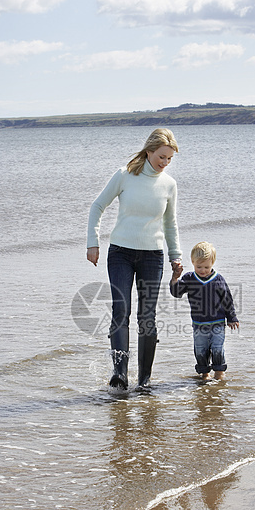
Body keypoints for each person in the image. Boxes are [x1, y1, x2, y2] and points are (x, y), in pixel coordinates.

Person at [87, 128, 182, 389]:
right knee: (121, 311)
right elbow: (97, 207)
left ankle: (144, 380)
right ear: (149, 151)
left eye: (169, 159)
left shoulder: (169, 185)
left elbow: (170, 224)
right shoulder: (124, 175)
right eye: (162, 157)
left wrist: (176, 257)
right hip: (120, 253)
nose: (165, 163)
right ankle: (120, 375)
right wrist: (92, 243)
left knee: (147, 317)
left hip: (153, 256)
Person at [170, 241, 239, 380]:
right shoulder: (189, 278)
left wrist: (232, 318)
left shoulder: (218, 279)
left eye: (206, 267)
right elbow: (177, 293)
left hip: (218, 322)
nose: (202, 270)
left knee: (217, 348)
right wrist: (175, 279)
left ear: (212, 263)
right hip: (199, 324)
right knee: (200, 349)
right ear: (192, 262)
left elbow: (227, 300)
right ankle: (204, 373)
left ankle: (219, 372)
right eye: (199, 266)